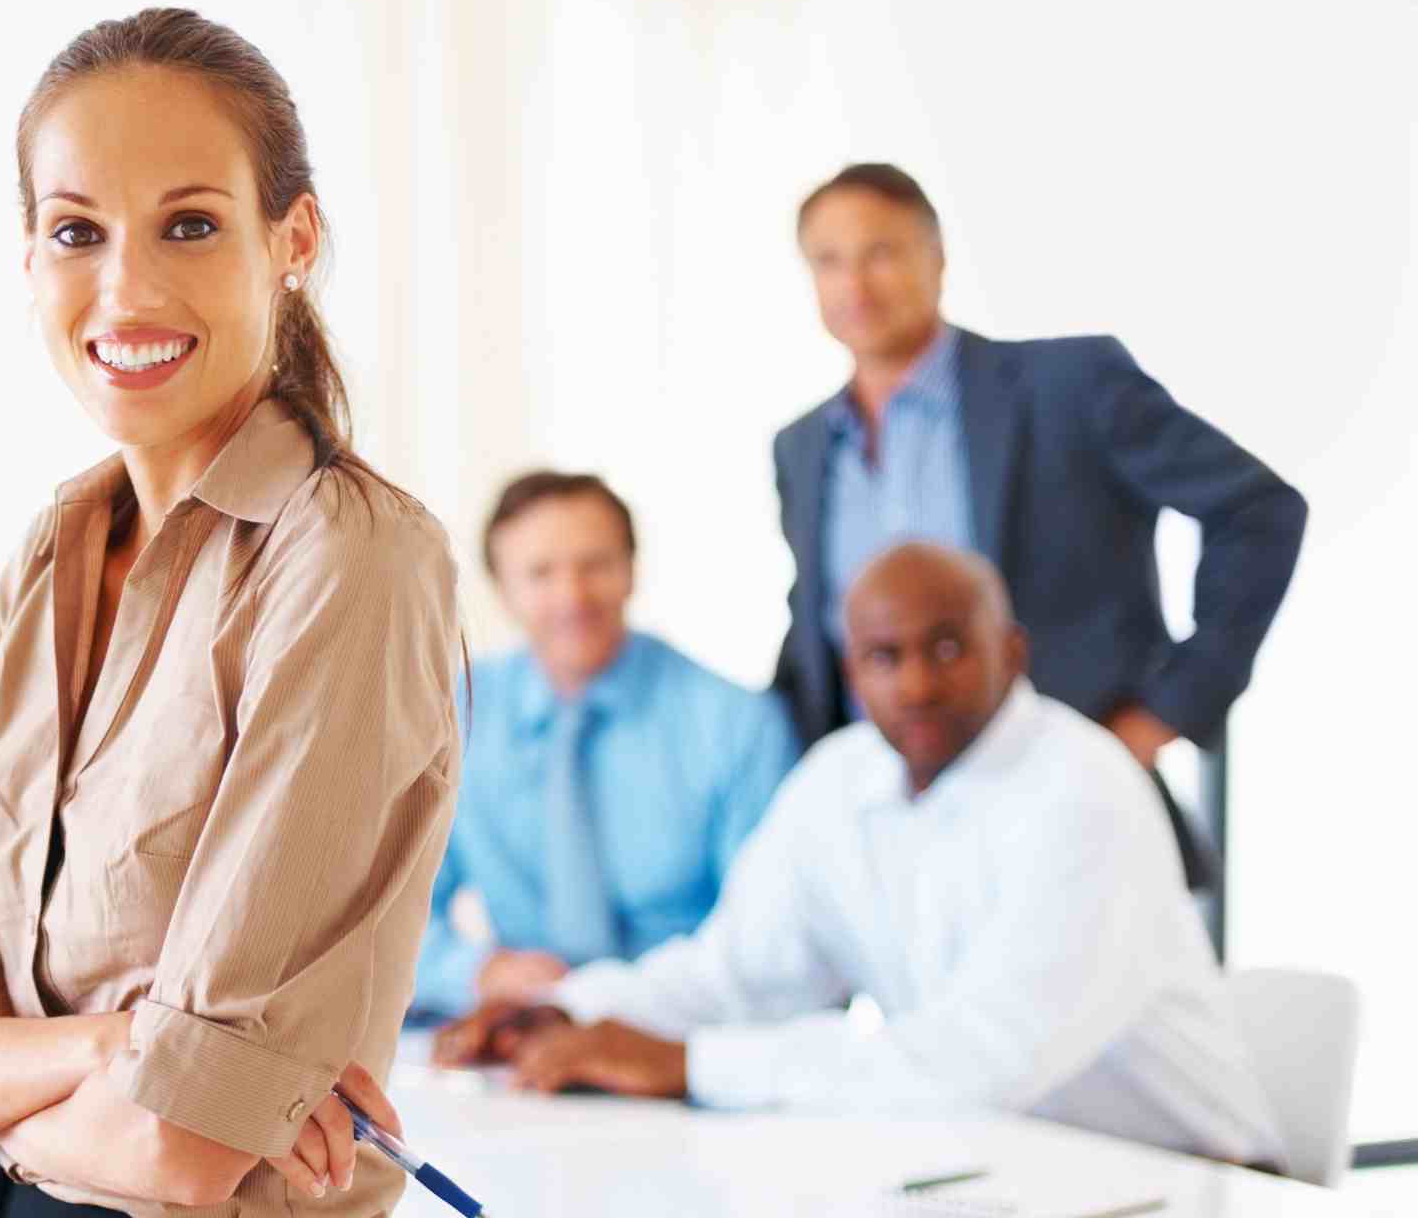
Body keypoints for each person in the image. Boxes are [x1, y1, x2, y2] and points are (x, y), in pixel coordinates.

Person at [0, 8, 466, 1217]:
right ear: (29, 261)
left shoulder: (352, 562)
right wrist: (110, 1044)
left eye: (188, 224)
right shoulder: (46, 557)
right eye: (77, 232)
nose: (124, 286)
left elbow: (179, 1148)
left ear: (293, 238)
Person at [435, 542, 1286, 1169]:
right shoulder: (839, 779)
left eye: (948, 647)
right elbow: (739, 972)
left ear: (1014, 651)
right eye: (885, 657)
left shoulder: (1084, 789)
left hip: (1190, 1183)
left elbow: (977, 1064)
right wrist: (567, 1011)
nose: (915, 683)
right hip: (1007, 1169)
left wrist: (686, 1063)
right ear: (852, 670)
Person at [770, 164, 1307, 898]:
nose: (855, 284)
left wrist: (1170, 709)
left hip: (1072, 809)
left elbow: (1257, 512)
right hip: (897, 840)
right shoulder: (802, 449)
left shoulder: (1068, 385)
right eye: (828, 261)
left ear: (937, 256)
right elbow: (816, 637)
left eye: (882, 252)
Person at [413, 471, 797, 1018]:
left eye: (596, 565)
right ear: (502, 590)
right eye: (541, 573)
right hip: (523, 1031)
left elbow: (770, 934)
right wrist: (478, 972)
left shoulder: (736, 724)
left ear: (631, 572)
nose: (573, 596)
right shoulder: (455, 715)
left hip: (683, 1023)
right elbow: (391, 909)